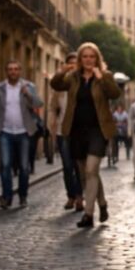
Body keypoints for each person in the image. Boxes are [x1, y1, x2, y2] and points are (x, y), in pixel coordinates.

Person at [50, 42, 122, 228]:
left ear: (97, 59)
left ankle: (88, 215)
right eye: (85, 56)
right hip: (76, 130)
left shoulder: (104, 76)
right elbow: (56, 84)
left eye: (92, 56)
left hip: (98, 130)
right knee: (86, 174)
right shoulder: (73, 78)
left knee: (91, 170)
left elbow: (114, 94)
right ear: (80, 59)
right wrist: (62, 70)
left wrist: (102, 77)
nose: (89, 60)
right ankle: (102, 202)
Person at [0, 60, 43, 208]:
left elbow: (38, 104)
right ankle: (6, 197)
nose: (13, 72)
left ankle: (23, 195)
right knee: (5, 165)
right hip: (5, 132)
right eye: (10, 69)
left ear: (20, 71)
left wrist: (28, 95)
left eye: (16, 69)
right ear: (6, 72)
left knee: (24, 167)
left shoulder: (29, 86)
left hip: (24, 132)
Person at [51, 53, 83, 211]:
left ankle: (79, 197)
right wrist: (52, 128)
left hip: (79, 131)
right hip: (62, 132)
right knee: (67, 166)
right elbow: (53, 109)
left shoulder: (82, 83)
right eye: (69, 64)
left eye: (74, 64)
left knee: (79, 167)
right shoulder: (60, 87)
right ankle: (70, 195)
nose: (72, 67)